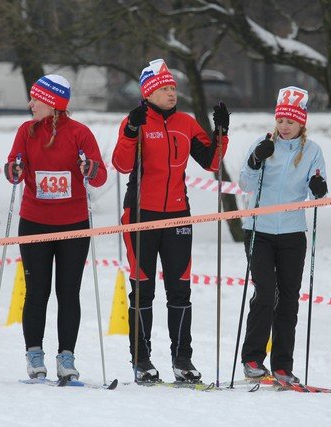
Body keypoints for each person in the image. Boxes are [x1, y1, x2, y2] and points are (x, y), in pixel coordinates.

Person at [112, 59, 229, 383]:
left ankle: (183, 359)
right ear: (149, 93)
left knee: (180, 290)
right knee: (143, 290)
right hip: (140, 215)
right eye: (164, 89)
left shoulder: (186, 123)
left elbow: (212, 162)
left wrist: (221, 133)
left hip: (177, 215)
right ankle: (142, 360)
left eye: (174, 88)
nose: (171, 93)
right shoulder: (135, 120)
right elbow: (121, 165)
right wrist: (131, 131)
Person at [5, 74, 107, 381]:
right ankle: (34, 355)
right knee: (36, 291)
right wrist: (15, 169)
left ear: (51, 103)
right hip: (35, 222)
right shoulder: (26, 131)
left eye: (35, 99)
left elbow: (100, 175)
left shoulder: (79, 133)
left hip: (73, 225)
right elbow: (12, 169)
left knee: (68, 292)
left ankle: (66, 357)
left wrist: (89, 168)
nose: (30, 104)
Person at [238, 86, 327, 385]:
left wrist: (318, 188)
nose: (284, 126)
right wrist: (255, 161)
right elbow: (245, 184)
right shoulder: (263, 144)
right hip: (258, 230)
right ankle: (252, 358)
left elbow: (319, 187)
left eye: (290, 121)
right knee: (265, 292)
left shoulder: (312, 150)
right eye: (280, 121)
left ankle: (282, 366)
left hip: (291, 233)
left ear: (302, 123)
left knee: (288, 298)